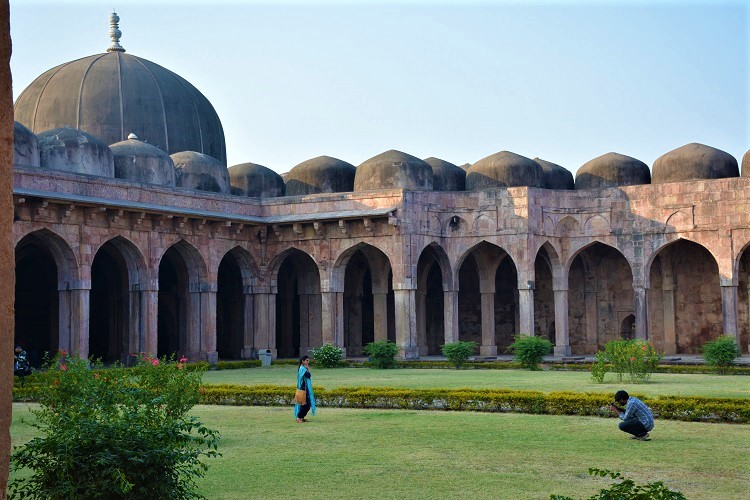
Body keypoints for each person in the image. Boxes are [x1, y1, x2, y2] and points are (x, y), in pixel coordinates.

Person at [294, 355, 316, 423]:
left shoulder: (303, 368)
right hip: (303, 389)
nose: (308, 362)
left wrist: (307, 368)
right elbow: (308, 375)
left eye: (308, 360)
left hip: (305, 389)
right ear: (302, 361)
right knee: (305, 405)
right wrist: (308, 369)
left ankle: (302, 417)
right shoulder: (302, 368)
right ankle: (299, 417)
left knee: (306, 404)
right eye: (306, 360)